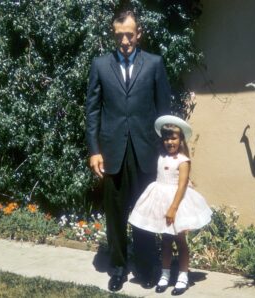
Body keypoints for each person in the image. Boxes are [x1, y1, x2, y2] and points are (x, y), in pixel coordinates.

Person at [86, 10, 171, 292]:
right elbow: (93, 111)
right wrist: (94, 150)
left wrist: (167, 153)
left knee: (146, 214)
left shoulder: (155, 64)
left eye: (130, 34)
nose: (125, 41)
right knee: (115, 215)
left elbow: (164, 112)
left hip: (146, 152)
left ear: (139, 34)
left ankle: (147, 268)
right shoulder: (100, 65)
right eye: (119, 35)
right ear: (114, 35)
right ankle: (119, 269)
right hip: (113, 152)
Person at [129, 115, 212, 295]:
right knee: (165, 241)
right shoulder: (161, 157)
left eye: (173, 137)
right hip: (160, 201)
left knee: (180, 241)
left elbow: (182, 186)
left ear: (181, 139)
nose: (169, 141)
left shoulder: (183, 161)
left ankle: (183, 277)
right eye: (166, 138)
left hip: (177, 203)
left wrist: (173, 208)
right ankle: (164, 275)